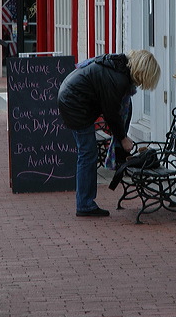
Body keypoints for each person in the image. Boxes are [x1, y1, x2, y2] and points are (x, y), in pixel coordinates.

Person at [57, 50, 161, 217]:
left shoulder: (118, 68)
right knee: (87, 154)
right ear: (143, 72)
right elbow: (111, 113)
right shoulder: (118, 79)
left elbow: (114, 110)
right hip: (74, 103)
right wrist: (123, 138)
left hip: (71, 97)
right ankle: (85, 205)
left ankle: (85, 202)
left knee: (87, 153)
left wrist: (121, 136)